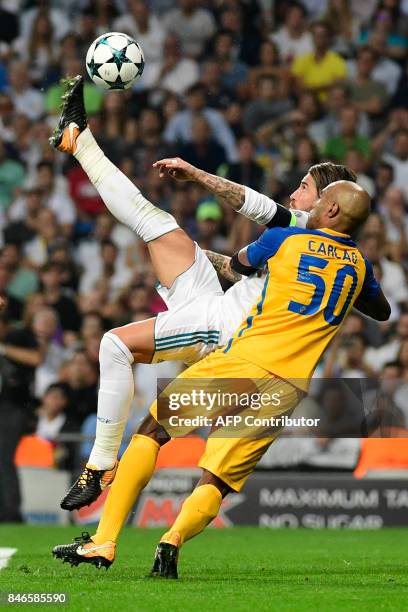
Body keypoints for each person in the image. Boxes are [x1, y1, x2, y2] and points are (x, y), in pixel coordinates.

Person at [48, 76, 358, 511]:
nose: (294, 192)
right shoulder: (339, 255)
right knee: (154, 222)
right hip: (221, 306)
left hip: (227, 330)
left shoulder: (304, 228)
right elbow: (236, 268)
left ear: (329, 202)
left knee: (114, 344)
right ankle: (78, 141)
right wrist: (197, 251)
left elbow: (250, 202)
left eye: (304, 187)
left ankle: (99, 465)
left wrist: (196, 174)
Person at [53, 180, 390, 575]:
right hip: (287, 389)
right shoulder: (360, 266)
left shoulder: (285, 240)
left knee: (152, 432)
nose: (312, 206)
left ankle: (104, 541)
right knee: (217, 479)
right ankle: (171, 540)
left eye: (321, 200)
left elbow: (239, 266)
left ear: (331, 211)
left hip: (242, 363)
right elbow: (381, 311)